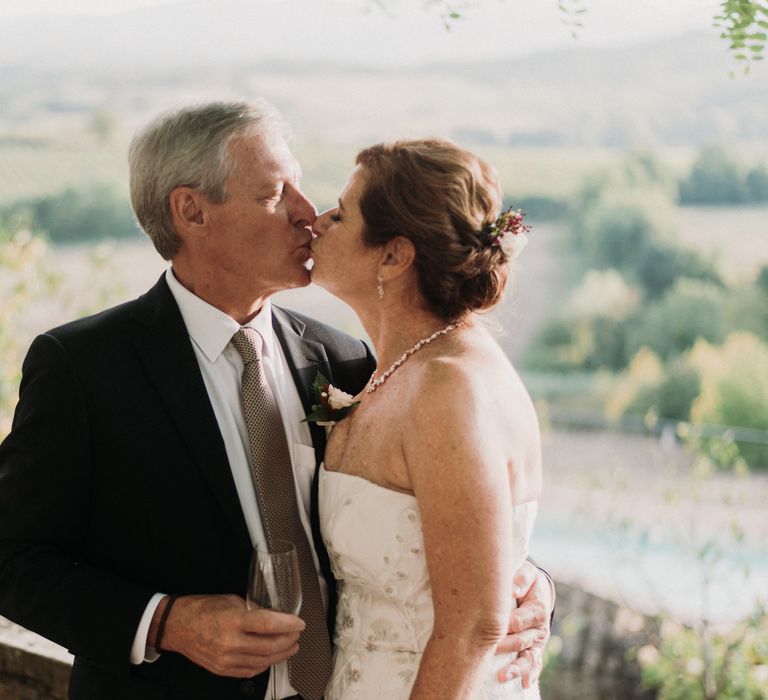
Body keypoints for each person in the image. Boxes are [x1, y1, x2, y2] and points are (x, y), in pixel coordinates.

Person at [0, 102, 551, 700]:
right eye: (272, 194)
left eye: (302, 186)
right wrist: (166, 622)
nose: (306, 213)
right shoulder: (83, 368)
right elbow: (12, 558)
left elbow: (436, 532)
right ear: (191, 211)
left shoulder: (348, 360)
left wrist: (528, 584)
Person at [310, 138, 543, 698]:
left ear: (394, 255)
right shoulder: (394, 369)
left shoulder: (451, 389)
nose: (317, 222)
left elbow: (472, 628)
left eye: (341, 214)